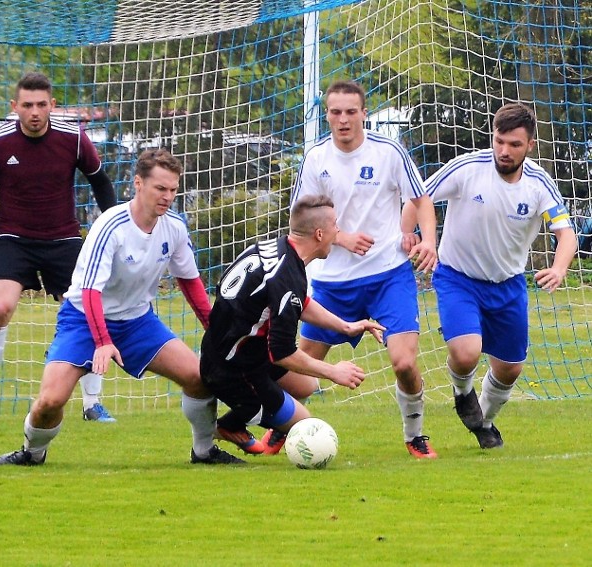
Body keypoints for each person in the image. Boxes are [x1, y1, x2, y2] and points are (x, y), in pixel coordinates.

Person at [0, 148, 243, 467]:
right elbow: (91, 291)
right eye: (160, 188)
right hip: (83, 320)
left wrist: (217, 331)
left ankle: (204, 451)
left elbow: (190, 282)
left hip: (138, 322)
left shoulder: (174, 228)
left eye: (173, 190)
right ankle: (32, 452)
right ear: (138, 183)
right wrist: (103, 341)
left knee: (199, 376)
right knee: (50, 401)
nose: (167, 197)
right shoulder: (111, 226)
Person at [405, 102, 576, 449]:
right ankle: (462, 391)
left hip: (508, 284)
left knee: (510, 368)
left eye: (514, 144)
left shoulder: (539, 184)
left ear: (529, 145)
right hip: (458, 278)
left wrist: (559, 269)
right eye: (499, 141)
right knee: (467, 352)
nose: (504, 150)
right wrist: (410, 234)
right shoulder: (468, 168)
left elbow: (566, 233)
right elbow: (417, 198)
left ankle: (483, 421)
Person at [289, 79, 440, 459]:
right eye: (335, 112)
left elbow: (421, 201)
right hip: (332, 284)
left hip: (388, 276)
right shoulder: (316, 158)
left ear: (363, 114)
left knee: (404, 362)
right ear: (327, 115)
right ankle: (281, 428)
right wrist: (339, 238)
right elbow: (299, 219)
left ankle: (415, 435)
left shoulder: (388, 152)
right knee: (298, 378)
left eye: (350, 112)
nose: (343, 120)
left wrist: (428, 241)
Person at [0, 71, 118, 423]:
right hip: (14, 238)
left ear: (52, 106)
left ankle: (92, 403)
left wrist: (116, 228)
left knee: (90, 314)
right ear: (14, 106)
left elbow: (100, 182)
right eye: (26, 105)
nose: (34, 112)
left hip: (64, 239)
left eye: (41, 105)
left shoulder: (73, 138)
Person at [200, 195, 384, 455]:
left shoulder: (278, 250)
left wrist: (346, 326)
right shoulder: (286, 278)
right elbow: (283, 353)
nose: (338, 231)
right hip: (232, 370)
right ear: (320, 234)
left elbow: (301, 303)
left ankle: (259, 411)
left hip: (229, 351)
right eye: (335, 225)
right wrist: (334, 371)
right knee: (305, 424)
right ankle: (230, 424)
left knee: (307, 385)